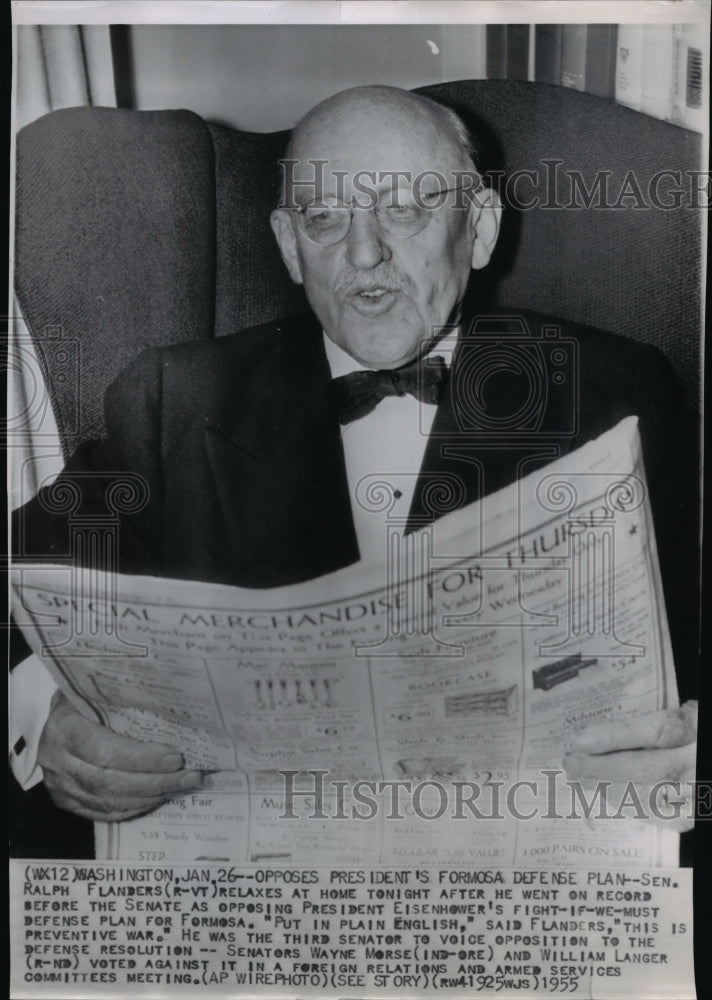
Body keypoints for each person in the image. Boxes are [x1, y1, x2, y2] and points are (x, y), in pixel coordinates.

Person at [12, 85, 698, 839]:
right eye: (323, 218)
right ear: (286, 244)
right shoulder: (177, 399)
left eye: (405, 209)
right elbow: (22, 584)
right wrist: (40, 716)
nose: (363, 253)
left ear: (479, 229)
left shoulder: (614, 392)